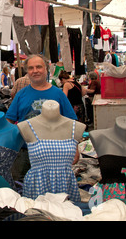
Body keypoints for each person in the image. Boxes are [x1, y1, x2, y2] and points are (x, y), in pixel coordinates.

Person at [5, 54, 77, 183]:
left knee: (52, 189)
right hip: (25, 152)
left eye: (39, 67)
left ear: (46, 69)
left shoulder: (58, 94)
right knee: (20, 189)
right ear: (27, 71)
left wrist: (75, 148)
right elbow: (9, 121)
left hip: (54, 152)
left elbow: (71, 122)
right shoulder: (21, 94)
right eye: (31, 68)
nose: (35, 71)